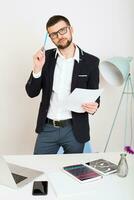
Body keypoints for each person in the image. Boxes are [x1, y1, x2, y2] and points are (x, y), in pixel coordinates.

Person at [25, 15, 100, 154]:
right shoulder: (44, 59)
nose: (59, 36)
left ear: (71, 30)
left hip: (75, 129)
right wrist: (37, 68)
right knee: (39, 170)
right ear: (50, 37)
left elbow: (94, 97)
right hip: (47, 127)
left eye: (63, 30)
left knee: (73, 172)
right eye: (54, 34)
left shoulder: (91, 62)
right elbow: (31, 92)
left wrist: (94, 106)